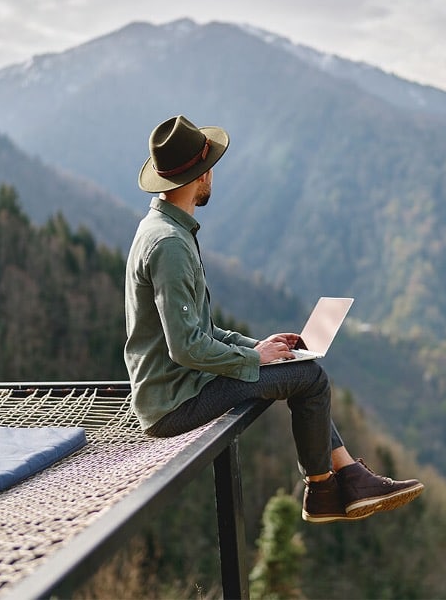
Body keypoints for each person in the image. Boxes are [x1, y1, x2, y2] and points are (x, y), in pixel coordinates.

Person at [124, 114, 424, 522]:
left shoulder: (164, 229)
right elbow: (186, 347)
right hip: (175, 403)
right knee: (310, 378)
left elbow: (201, 331)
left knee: (299, 366)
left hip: (178, 388)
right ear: (202, 175)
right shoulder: (170, 245)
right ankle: (323, 490)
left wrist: (261, 347)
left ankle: (345, 477)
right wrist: (254, 360)